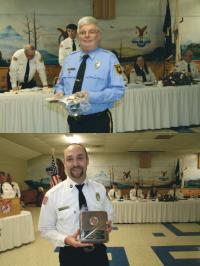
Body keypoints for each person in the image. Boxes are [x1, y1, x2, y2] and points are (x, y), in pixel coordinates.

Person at [38, 143, 112, 266]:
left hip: (98, 252)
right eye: (70, 159)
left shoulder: (100, 189)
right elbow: (45, 229)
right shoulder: (52, 195)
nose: (75, 163)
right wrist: (66, 239)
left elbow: (109, 214)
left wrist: (108, 224)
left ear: (87, 161)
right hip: (69, 255)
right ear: (65, 163)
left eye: (80, 158)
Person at [55, 16, 125, 133]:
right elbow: (60, 84)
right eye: (82, 32)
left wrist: (91, 96)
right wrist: (59, 92)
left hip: (97, 121)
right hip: (73, 120)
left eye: (91, 32)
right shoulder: (69, 59)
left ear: (98, 35)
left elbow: (118, 90)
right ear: (78, 36)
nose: (87, 35)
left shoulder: (110, 59)